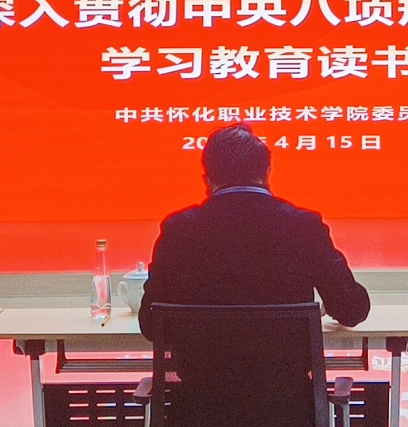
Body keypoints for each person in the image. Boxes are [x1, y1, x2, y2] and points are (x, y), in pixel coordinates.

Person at [140, 125, 370, 426]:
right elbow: (353, 309)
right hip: (287, 412)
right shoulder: (303, 226)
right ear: (267, 172)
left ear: (207, 179)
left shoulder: (179, 231)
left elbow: (151, 325)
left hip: (199, 410)